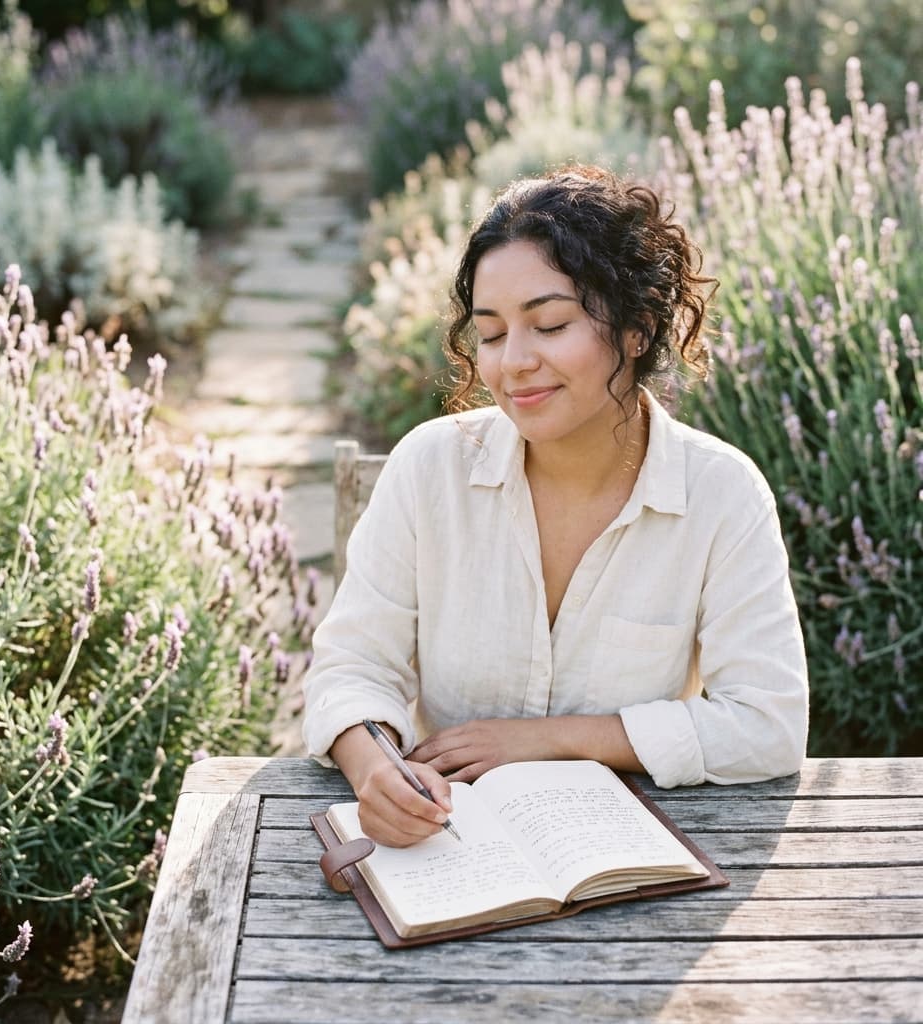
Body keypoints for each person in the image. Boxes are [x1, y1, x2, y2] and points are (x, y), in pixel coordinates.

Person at [302, 165, 809, 848]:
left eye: (550, 324)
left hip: (632, 867)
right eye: (490, 333)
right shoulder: (430, 468)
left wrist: (549, 741)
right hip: (448, 850)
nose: (513, 362)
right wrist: (376, 771)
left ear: (637, 328)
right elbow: (353, 666)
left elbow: (768, 725)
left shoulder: (721, 494)